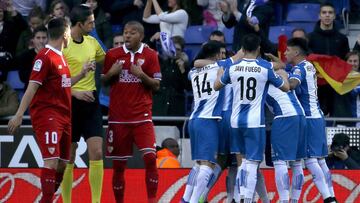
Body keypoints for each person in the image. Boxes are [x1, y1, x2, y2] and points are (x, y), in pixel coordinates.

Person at [7, 17, 90, 203]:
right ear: (66, 33)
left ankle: (47, 197)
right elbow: (32, 87)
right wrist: (19, 114)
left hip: (64, 116)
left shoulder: (60, 57)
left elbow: (63, 84)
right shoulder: (44, 57)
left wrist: (82, 74)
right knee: (51, 161)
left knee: (64, 162)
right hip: (48, 116)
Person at [214, 34, 290, 203]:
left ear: (242, 48)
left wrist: (220, 72)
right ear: (258, 49)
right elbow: (285, 87)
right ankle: (246, 199)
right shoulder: (264, 67)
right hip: (255, 122)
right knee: (253, 163)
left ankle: (241, 197)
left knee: (241, 163)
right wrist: (283, 75)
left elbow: (217, 85)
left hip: (235, 121)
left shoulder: (233, 68)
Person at [102, 21, 161, 203]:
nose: (127, 36)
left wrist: (141, 75)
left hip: (142, 117)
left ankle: (151, 200)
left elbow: (157, 86)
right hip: (118, 119)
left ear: (141, 36)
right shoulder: (113, 55)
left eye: (132, 33)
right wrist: (111, 73)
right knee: (119, 166)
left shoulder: (150, 55)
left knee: (151, 158)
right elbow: (103, 81)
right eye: (125, 32)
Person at [61, 5, 106, 203]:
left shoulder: (92, 42)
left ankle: (95, 201)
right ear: (79, 24)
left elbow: (109, 58)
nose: (93, 25)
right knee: (69, 155)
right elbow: (54, 81)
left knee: (96, 151)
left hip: (91, 104)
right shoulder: (63, 45)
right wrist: (75, 92)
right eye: (91, 22)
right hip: (70, 103)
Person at [286, 37, 337, 203]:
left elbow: (292, 85)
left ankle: (327, 198)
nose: (285, 53)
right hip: (317, 116)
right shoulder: (309, 65)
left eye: (288, 50)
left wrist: (280, 78)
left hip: (308, 118)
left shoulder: (299, 69)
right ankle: (332, 197)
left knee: (309, 160)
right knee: (321, 160)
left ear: (296, 52)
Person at [181, 40, 224, 203]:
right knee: (209, 164)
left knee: (199, 164)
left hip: (194, 119)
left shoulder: (193, 71)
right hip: (209, 119)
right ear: (216, 55)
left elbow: (197, 63)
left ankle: (185, 200)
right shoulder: (220, 67)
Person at [308, 2, 350, 118]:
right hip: (316, 85)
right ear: (319, 15)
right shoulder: (310, 38)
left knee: (336, 119)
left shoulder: (342, 39)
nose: (327, 15)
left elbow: (345, 62)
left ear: (334, 16)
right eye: (324, 13)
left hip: (336, 86)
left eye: (330, 13)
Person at [152, 36, 191, 116]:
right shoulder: (159, 62)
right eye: (172, 48)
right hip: (158, 108)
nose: (174, 51)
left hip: (175, 110)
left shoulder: (185, 67)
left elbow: (189, 87)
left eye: (178, 49)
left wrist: (183, 70)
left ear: (182, 52)